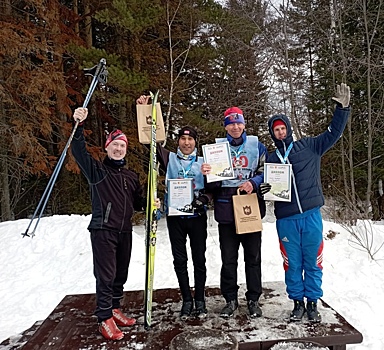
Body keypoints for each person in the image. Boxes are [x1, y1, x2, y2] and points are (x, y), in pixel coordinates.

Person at [259, 83, 351, 323]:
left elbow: (333, 134)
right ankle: (297, 303)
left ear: (289, 129)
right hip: (286, 219)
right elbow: (262, 183)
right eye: (275, 130)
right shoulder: (270, 158)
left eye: (282, 128)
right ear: (272, 134)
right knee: (292, 264)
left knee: (313, 261)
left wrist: (342, 109)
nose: (280, 133)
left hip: (310, 216)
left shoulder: (310, 146)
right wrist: (264, 189)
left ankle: (313, 303)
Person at [71, 107, 145, 340]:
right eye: (115, 144)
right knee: (106, 275)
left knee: (120, 273)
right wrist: (79, 126)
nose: (119, 148)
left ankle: (114, 308)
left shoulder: (131, 176)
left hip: (125, 231)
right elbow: (78, 151)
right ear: (107, 147)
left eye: (122, 145)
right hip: (103, 230)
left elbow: (139, 202)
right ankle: (104, 318)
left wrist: (150, 201)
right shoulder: (98, 171)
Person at [136, 95, 210, 320]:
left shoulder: (204, 161)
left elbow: (215, 186)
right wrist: (144, 110)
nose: (186, 143)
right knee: (180, 259)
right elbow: (151, 141)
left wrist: (204, 198)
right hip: (176, 216)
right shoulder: (168, 158)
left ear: (195, 142)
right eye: (183, 139)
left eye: (190, 140)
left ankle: (200, 298)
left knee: (199, 258)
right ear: (178, 141)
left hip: (196, 215)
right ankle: (187, 298)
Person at [201, 106, 267, 318]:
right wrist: (207, 175)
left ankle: (253, 299)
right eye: (231, 123)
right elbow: (210, 186)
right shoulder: (216, 150)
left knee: (253, 258)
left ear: (244, 124)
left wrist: (254, 182)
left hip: (250, 207)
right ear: (226, 126)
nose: (235, 127)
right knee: (228, 259)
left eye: (238, 122)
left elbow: (266, 170)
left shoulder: (256, 145)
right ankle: (230, 299)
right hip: (226, 209)